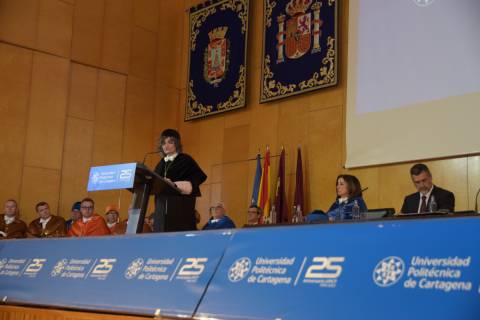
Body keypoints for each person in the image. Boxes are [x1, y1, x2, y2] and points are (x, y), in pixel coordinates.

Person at [153, 129, 207, 232]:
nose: (166, 146)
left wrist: (176, 185)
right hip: (161, 211)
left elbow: (200, 177)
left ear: (177, 144)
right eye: (163, 143)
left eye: (170, 142)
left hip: (180, 209)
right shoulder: (161, 163)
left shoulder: (185, 159)